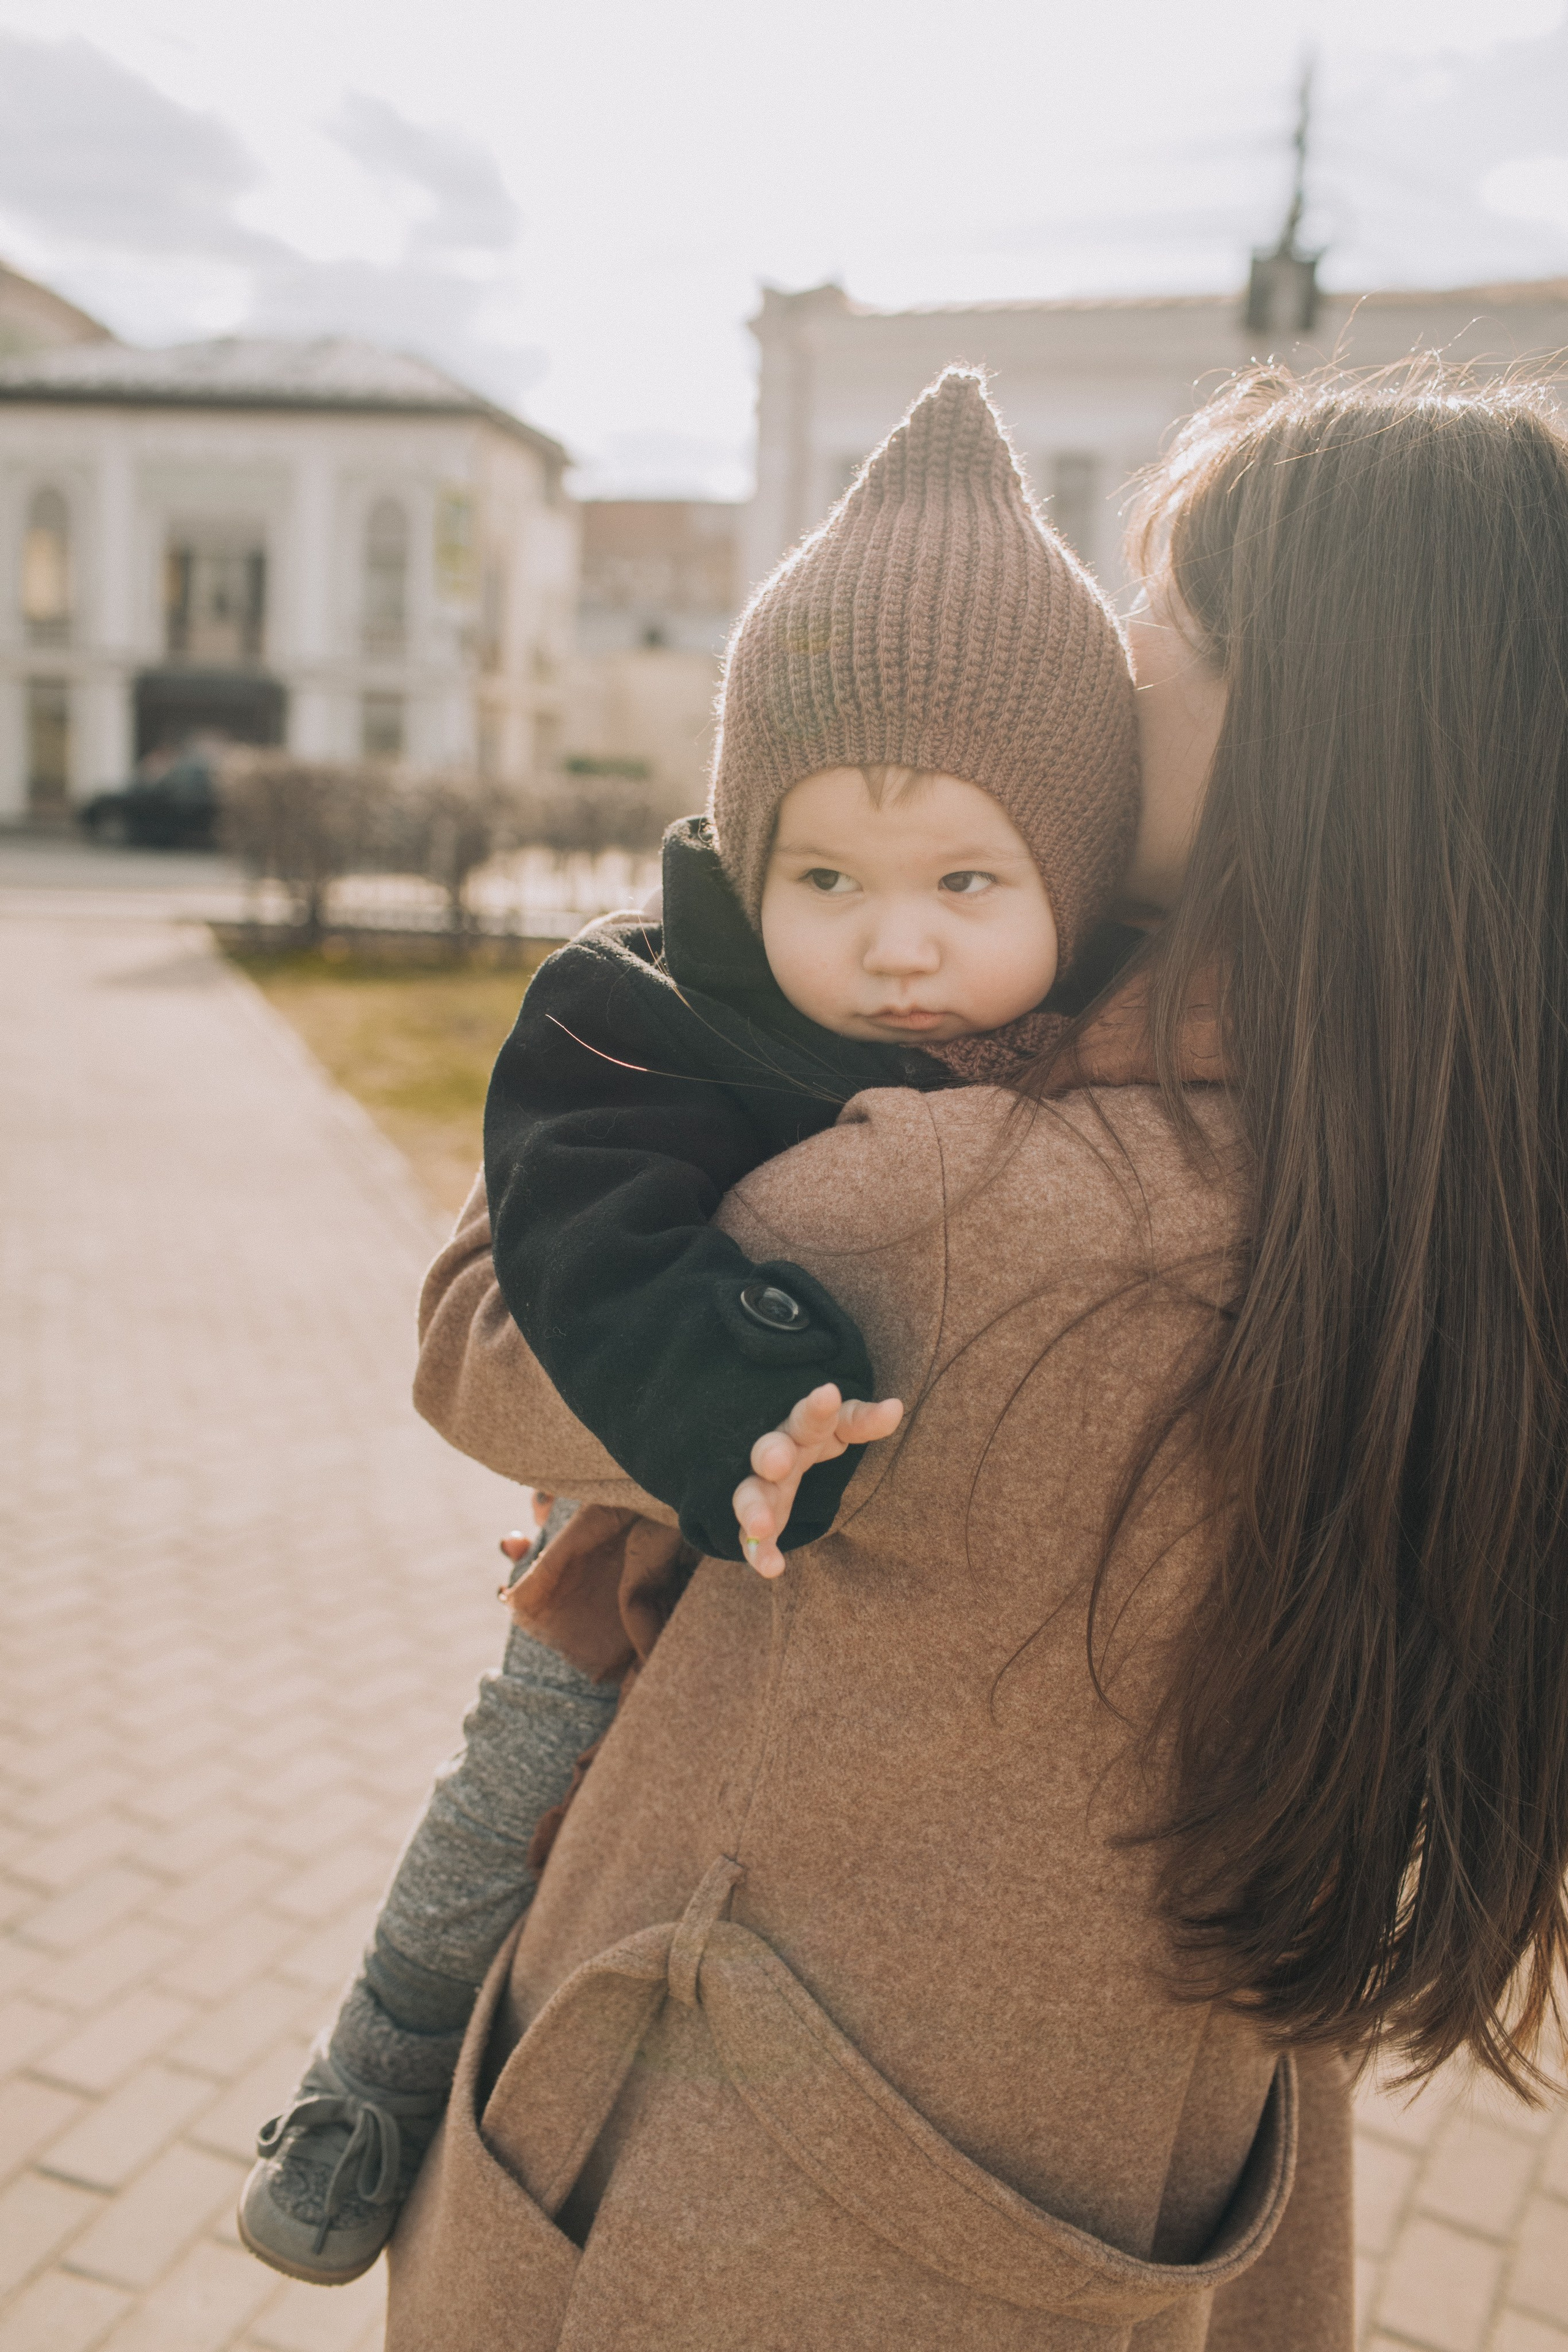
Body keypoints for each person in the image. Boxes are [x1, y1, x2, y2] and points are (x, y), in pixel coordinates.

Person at [388, 362, 1568, 2350]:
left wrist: (691, 982)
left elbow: (491, 1332)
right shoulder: (1456, 1191)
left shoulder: (942, 1213)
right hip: (1144, 2172)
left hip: (735, 2187)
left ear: (1304, 723)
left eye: (1162, 631)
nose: (1118, 668)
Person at [238, 367, 1146, 2284]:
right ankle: (370, 2072)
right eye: (830, 879)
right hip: (654, 1493)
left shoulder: (1120, 1045)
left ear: (1079, 868)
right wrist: (736, 1401)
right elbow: (567, 1235)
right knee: (508, 1774)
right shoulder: (642, 1014)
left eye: (966, 882)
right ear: (750, 858)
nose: (896, 943)